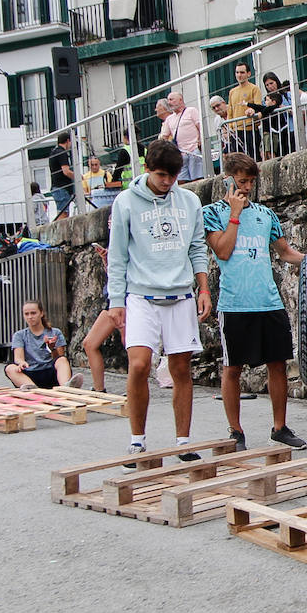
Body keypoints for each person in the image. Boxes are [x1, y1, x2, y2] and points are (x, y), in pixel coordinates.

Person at [106, 139, 212, 465]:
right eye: (162, 175)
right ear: (149, 170)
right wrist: (115, 301)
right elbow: (117, 255)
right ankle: (137, 441)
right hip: (141, 294)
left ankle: (184, 441)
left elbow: (197, 248)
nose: (167, 181)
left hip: (180, 294)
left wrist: (204, 289)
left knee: (181, 368)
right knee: (139, 365)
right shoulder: (125, 202)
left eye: (173, 176)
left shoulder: (189, 201)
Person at [202, 152, 307, 450]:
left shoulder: (266, 215)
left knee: (278, 364)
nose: (247, 187)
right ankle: (236, 431)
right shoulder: (211, 213)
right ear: (227, 179)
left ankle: (280, 427)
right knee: (233, 368)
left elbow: (285, 252)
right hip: (235, 304)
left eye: (251, 181)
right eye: (241, 181)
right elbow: (222, 251)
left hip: (269, 302)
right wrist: (234, 214)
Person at [5, 300, 83, 389]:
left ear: (41, 313)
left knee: (62, 360)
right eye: (26, 314)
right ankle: (32, 388)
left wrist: (52, 348)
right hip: (30, 374)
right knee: (10, 368)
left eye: (33, 313)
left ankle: (66, 387)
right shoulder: (19, 335)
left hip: (50, 373)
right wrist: (21, 363)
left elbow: (60, 357)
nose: (30, 317)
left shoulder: (55, 332)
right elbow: (18, 357)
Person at [82, 242, 126, 394]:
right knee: (89, 343)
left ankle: (137, 388)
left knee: (130, 345)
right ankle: (99, 389)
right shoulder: (115, 243)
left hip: (129, 301)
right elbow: (113, 277)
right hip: (112, 302)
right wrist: (106, 260)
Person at [161, 91, 204, 182]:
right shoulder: (169, 119)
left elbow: (200, 126)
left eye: (172, 99)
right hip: (180, 153)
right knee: (181, 181)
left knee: (197, 179)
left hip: (194, 150)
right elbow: (164, 136)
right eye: (168, 100)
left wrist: (200, 140)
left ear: (180, 100)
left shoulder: (191, 111)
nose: (169, 102)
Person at [226, 63, 261, 159]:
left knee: (253, 159)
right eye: (237, 72)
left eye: (242, 72)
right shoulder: (232, 91)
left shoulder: (254, 89)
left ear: (248, 74)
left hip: (250, 130)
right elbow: (230, 112)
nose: (239, 75)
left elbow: (258, 107)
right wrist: (230, 128)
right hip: (236, 132)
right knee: (238, 162)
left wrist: (252, 110)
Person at [48, 131, 75, 220]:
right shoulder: (62, 153)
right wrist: (78, 177)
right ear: (67, 141)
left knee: (61, 212)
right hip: (62, 187)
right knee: (63, 215)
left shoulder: (53, 152)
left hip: (56, 187)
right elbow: (66, 171)